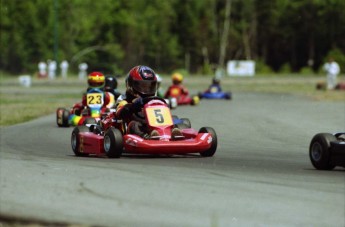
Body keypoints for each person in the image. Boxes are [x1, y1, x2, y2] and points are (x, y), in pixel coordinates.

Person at [116, 65, 182, 139]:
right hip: (137, 128)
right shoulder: (124, 99)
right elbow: (119, 113)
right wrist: (133, 106)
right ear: (131, 85)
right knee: (134, 124)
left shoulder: (154, 98)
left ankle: (174, 133)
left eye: (149, 86)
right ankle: (147, 137)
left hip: (155, 125)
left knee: (174, 119)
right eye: (143, 86)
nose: (147, 89)